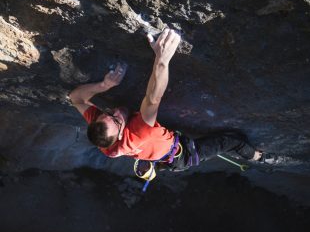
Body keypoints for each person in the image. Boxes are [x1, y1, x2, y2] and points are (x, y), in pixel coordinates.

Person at [69, 28, 267, 183]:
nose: (115, 111)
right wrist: (162, 59)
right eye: (116, 118)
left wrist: (104, 85)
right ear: (121, 135)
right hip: (184, 154)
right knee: (233, 142)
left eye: (107, 112)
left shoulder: (103, 134)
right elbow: (153, 99)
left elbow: (76, 98)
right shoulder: (138, 133)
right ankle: (259, 157)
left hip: (163, 152)